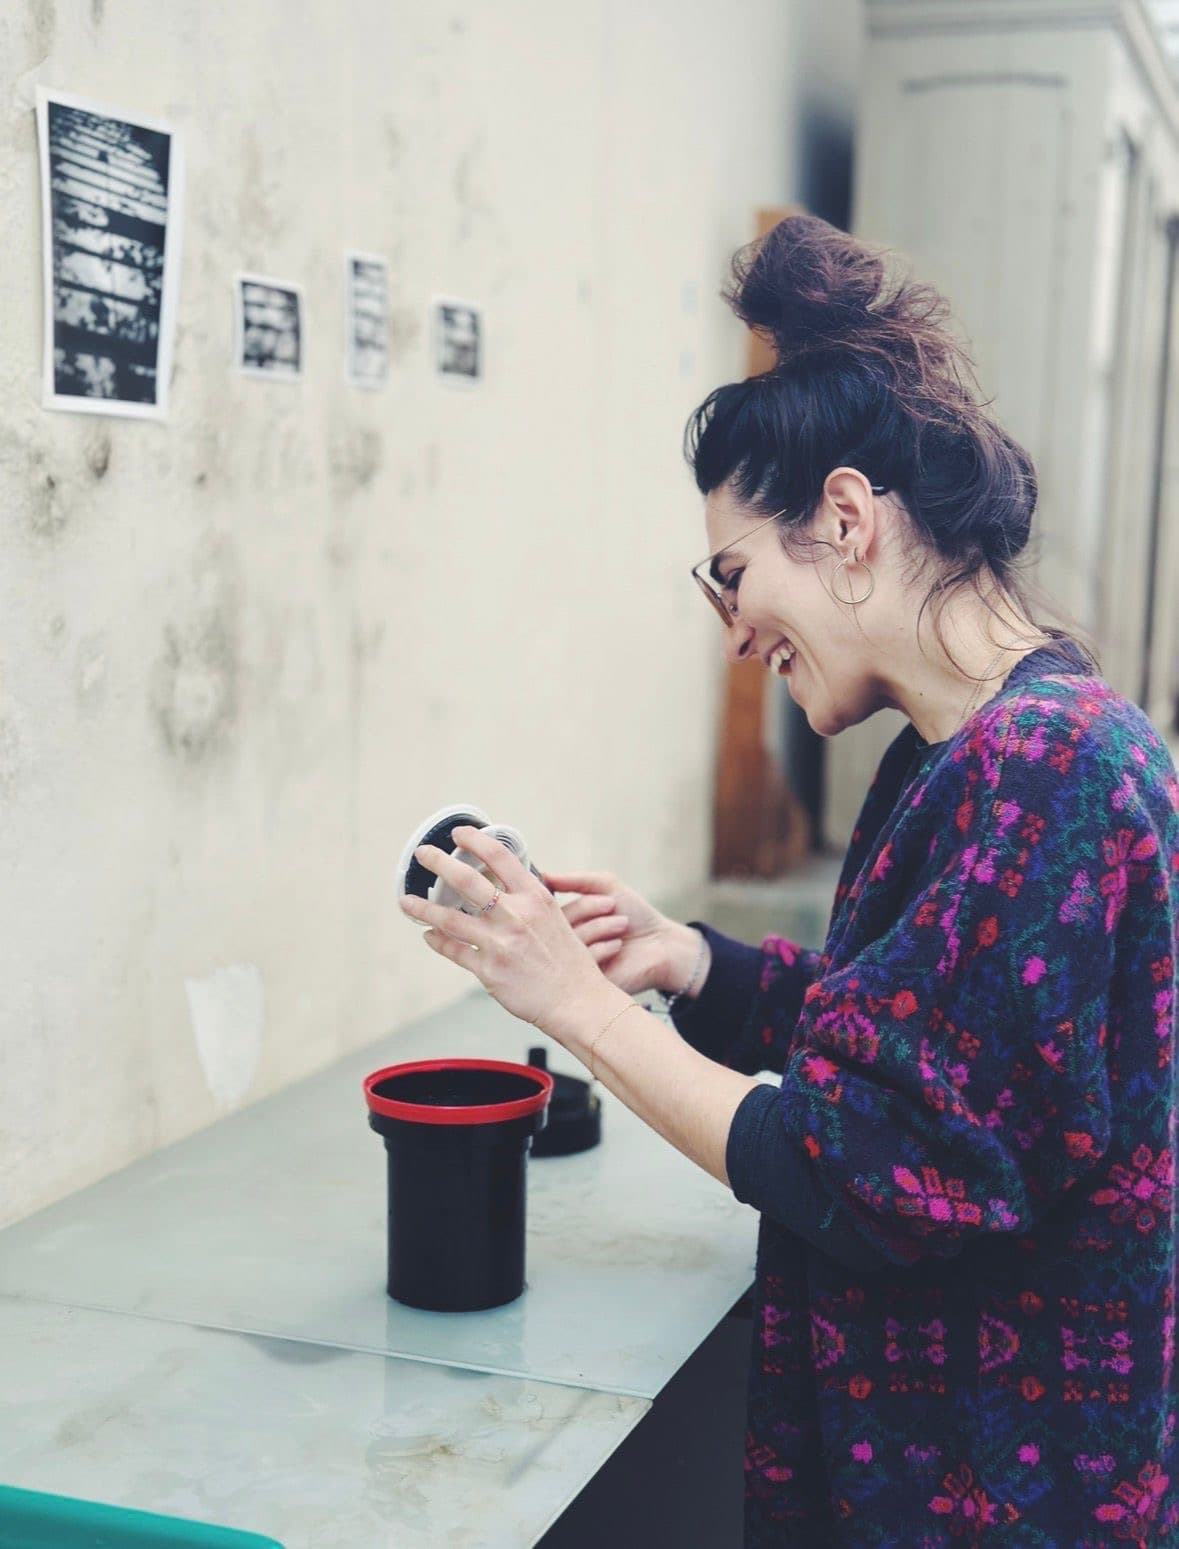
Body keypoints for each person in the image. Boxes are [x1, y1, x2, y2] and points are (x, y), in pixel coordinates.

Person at [401, 215, 1179, 1546]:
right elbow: (931, 1038)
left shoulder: (1045, 770)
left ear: (847, 519)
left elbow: (869, 1168)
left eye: (734, 575)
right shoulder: (976, 748)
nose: (736, 628)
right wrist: (689, 964)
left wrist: (580, 1007)